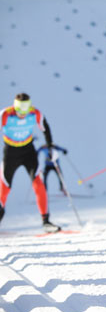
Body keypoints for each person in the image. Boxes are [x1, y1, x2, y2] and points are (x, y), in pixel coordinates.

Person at [0, 93, 61, 232]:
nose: (23, 114)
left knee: (38, 184)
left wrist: (50, 147)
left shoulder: (34, 113)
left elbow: (46, 128)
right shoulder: (6, 114)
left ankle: (46, 221)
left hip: (28, 152)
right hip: (11, 153)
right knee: (4, 188)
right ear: (15, 107)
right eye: (20, 111)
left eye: (25, 111)